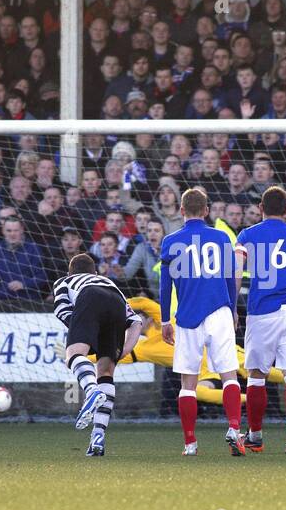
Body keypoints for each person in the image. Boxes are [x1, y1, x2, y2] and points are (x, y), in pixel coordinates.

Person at [234, 186, 286, 455]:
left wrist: (231, 307)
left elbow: (236, 273)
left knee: (256, 376)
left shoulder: (248, 234)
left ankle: (256, 436)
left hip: (262, 313)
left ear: (261, 208)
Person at [158, 188, 243, 456]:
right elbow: (231, 277)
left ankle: (190, 443)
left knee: (188, 384)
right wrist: (233, 309)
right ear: (206, 210)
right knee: (229, 375)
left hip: (187, 317)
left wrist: (164, 320)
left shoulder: (170, 241)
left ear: (182, 211)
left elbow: (164, 286)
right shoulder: (220, 238)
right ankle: (233, 428)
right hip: (219, 312)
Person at [52, 253, 143, 457]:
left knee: (73, 355)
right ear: (94, 272)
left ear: (70, 272)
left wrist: (81, 332)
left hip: (89, 296)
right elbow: (136, 322)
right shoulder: (109, 282)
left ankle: (91, 390)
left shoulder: (64, 281)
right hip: (116, 303)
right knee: (106, 370)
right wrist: (124, 351)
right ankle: (97, 437)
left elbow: (61, 310)